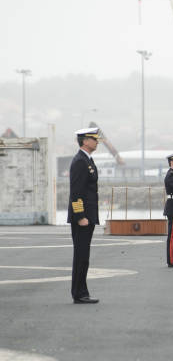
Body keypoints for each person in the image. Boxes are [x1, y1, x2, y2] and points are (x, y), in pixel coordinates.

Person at [67, 127, 101, 304]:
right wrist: (80, 215)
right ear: (85, 141)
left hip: (89, 215)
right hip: (83, 217)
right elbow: (76, 192)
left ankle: (82, 291)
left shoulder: (87, 160)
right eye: (94, 139)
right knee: (81, 256)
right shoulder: (80, 161)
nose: (97, 142)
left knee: (84, 256)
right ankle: (79, 294)